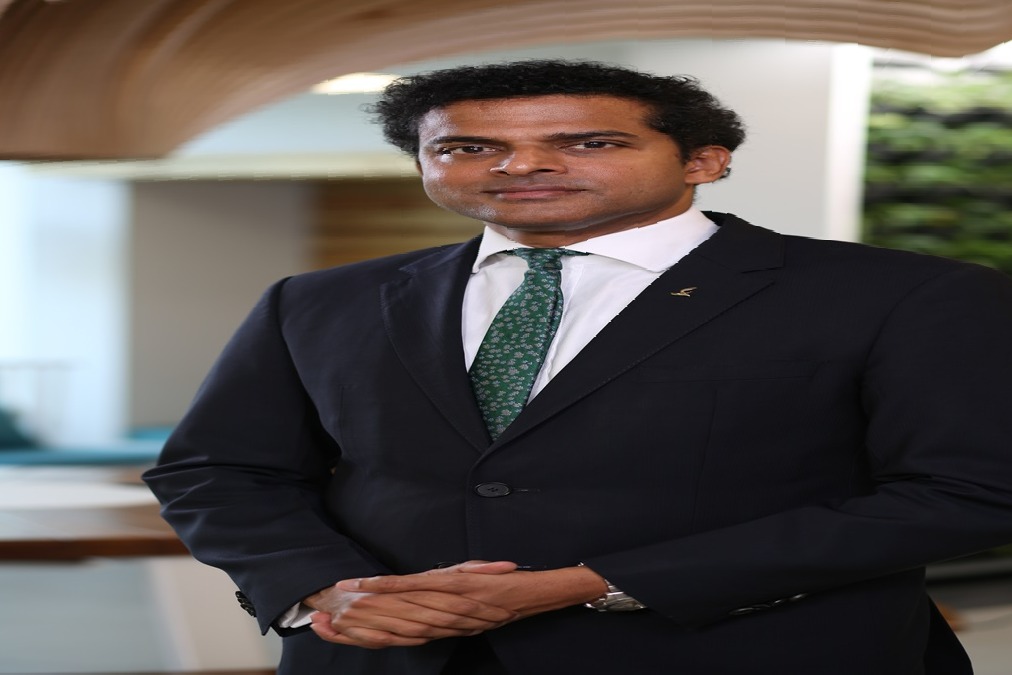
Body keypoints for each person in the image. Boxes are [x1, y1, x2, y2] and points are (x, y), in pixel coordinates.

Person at [143, 60, 1012, 675]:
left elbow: (971, 491)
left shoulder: (904, 295)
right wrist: (320, 586)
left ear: (704, 160)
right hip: (389, 659)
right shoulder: (320, 300)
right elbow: (218, 469)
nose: (521, 163)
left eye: (589, 141)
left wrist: (597, 583)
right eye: (466, 147)